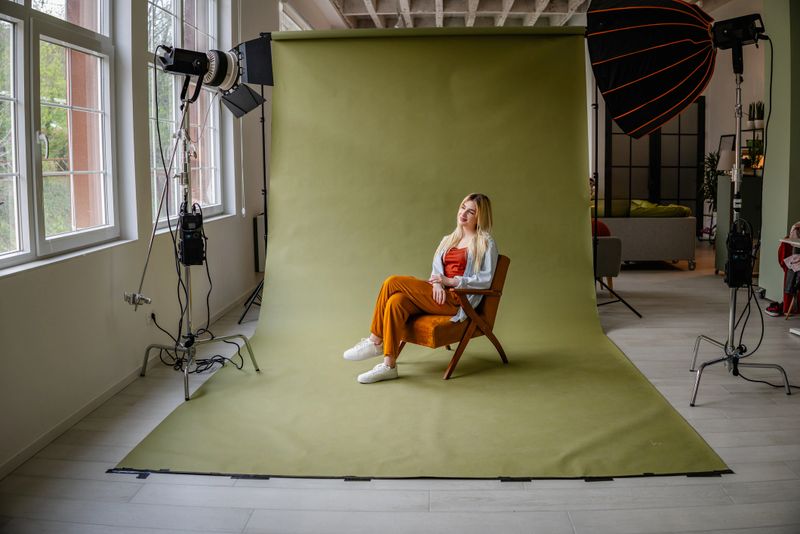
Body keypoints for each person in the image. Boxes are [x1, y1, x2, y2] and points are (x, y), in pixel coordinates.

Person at [343, 193, 498, 384]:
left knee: (392, 282)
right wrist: (437, 283)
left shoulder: (485, 242)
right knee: (395, 302)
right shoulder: (449, 239)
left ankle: (376, 340)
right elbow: (436, 270)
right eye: (462, 207)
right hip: (438, 295)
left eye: (471, 211)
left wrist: (449, 282)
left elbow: (486, 280)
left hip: (459, 301)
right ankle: (389, 366)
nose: (463, 213)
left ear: (479, 217)